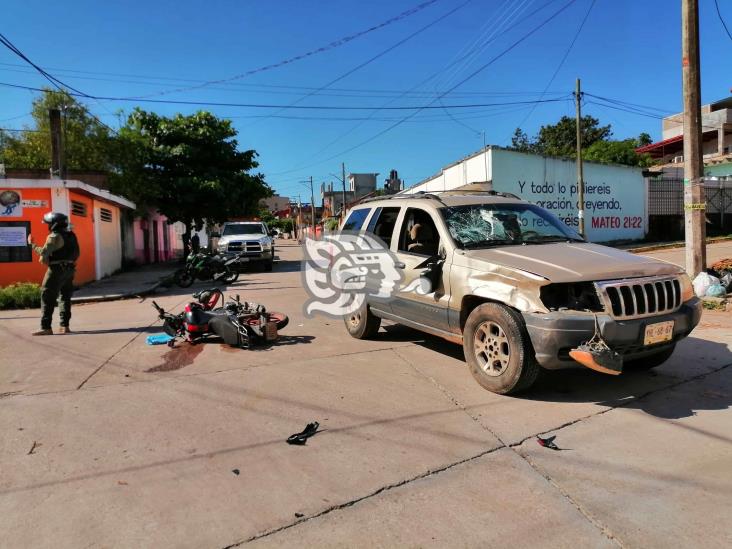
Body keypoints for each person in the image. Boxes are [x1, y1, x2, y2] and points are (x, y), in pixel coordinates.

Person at [27, 212, 80, 336]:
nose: (48, 226)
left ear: (54, 224)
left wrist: (32, 244)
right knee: (65, 297)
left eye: (49, 223)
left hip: (56, 269)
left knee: (47, 296)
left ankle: (46, 327)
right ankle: (64, 326)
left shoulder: (54, 236)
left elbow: (44, 252)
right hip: (70, 268)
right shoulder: (71, 235)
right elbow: (77, 253)